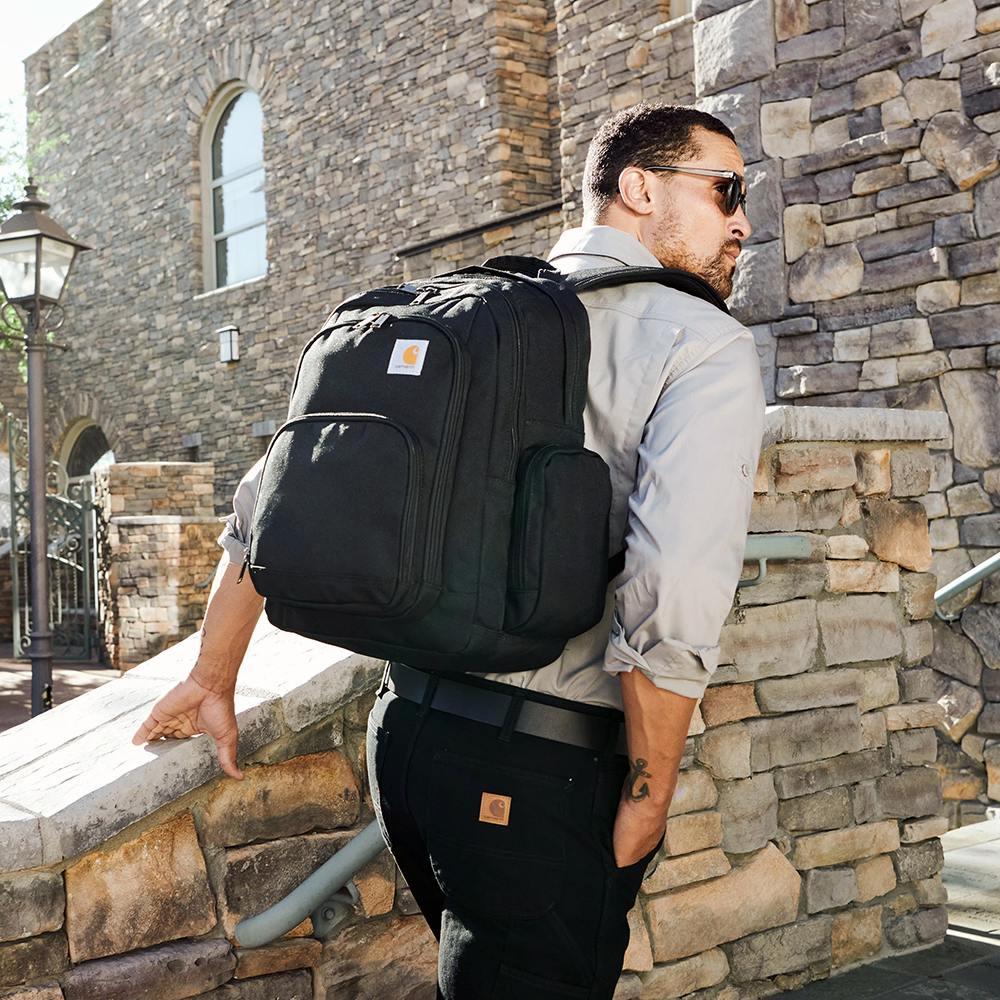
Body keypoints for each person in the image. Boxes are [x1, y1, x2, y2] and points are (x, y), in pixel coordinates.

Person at [132, 102, 766, 999]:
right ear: (638, 187)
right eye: (726, 190)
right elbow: (674, 582)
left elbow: (273, 499)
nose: (743, 221)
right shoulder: (700, 342)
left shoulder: (467, 313)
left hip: (405, 738)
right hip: (542, 767)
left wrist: (213, 673)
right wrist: (651, 789)